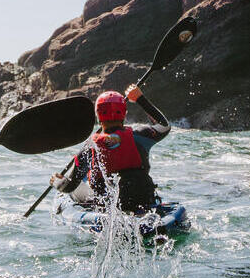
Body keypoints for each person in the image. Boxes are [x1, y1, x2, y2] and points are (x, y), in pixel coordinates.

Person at [50, 84, 171, 213]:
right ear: (124, 114)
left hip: (109, 210)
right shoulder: (139, 136)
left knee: (74, 191)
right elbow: (164, 126)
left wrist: (57, 182)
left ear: (98, 116)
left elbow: (69, 186)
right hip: (143, 201)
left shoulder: (90, 148)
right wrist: (140, 98)